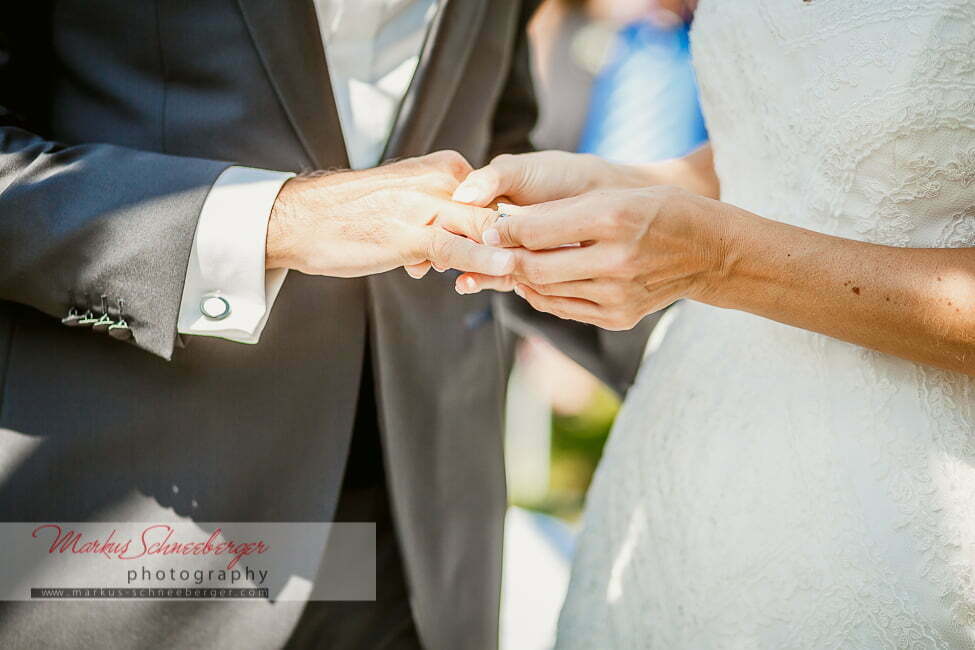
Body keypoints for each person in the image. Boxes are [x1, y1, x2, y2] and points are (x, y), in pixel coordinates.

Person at [0, 1, 654, 648]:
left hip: (427, 533)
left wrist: (692, 335)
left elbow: (489, 141)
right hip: (132, 519)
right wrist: (285, 221)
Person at [451, 0, 975, 645]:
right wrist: (625, 184)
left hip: (909, 506)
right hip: (683, 455)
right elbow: (784, 141)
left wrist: (719, 261)